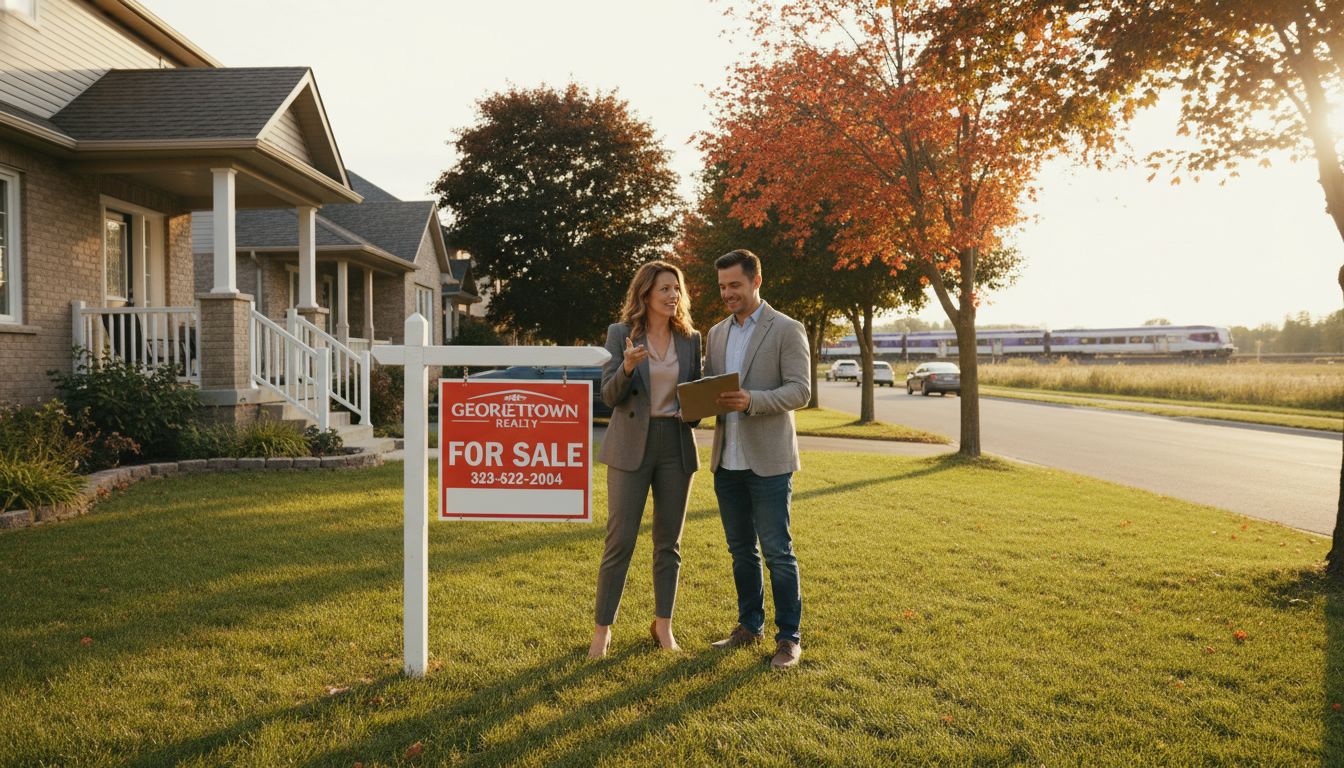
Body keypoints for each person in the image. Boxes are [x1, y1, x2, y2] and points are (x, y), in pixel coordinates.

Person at [703, 249, 811, 670]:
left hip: (769, 461)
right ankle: (749, 625)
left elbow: (800, 391)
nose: (728, 293)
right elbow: (712, 386)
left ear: (756, 281)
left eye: (735, 285)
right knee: (740, 551)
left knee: (777, 552)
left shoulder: (786, 328)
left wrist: (752, 401)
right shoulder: (715, 333)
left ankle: (789, 639)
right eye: (723, 286)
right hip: (725, 461)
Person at [589, 261, 702, 658]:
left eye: (677, 288)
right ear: (645, 295)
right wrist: (627, 366)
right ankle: (602, 630)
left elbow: (696, 401)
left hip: (676, 444)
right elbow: (608, 397)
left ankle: (664, 626)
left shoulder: (690, 338)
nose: (673, 295)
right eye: (665, 289)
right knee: (619, 541)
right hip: (629, 445)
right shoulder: (620, 334)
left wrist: (693, 409)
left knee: (668, 543)